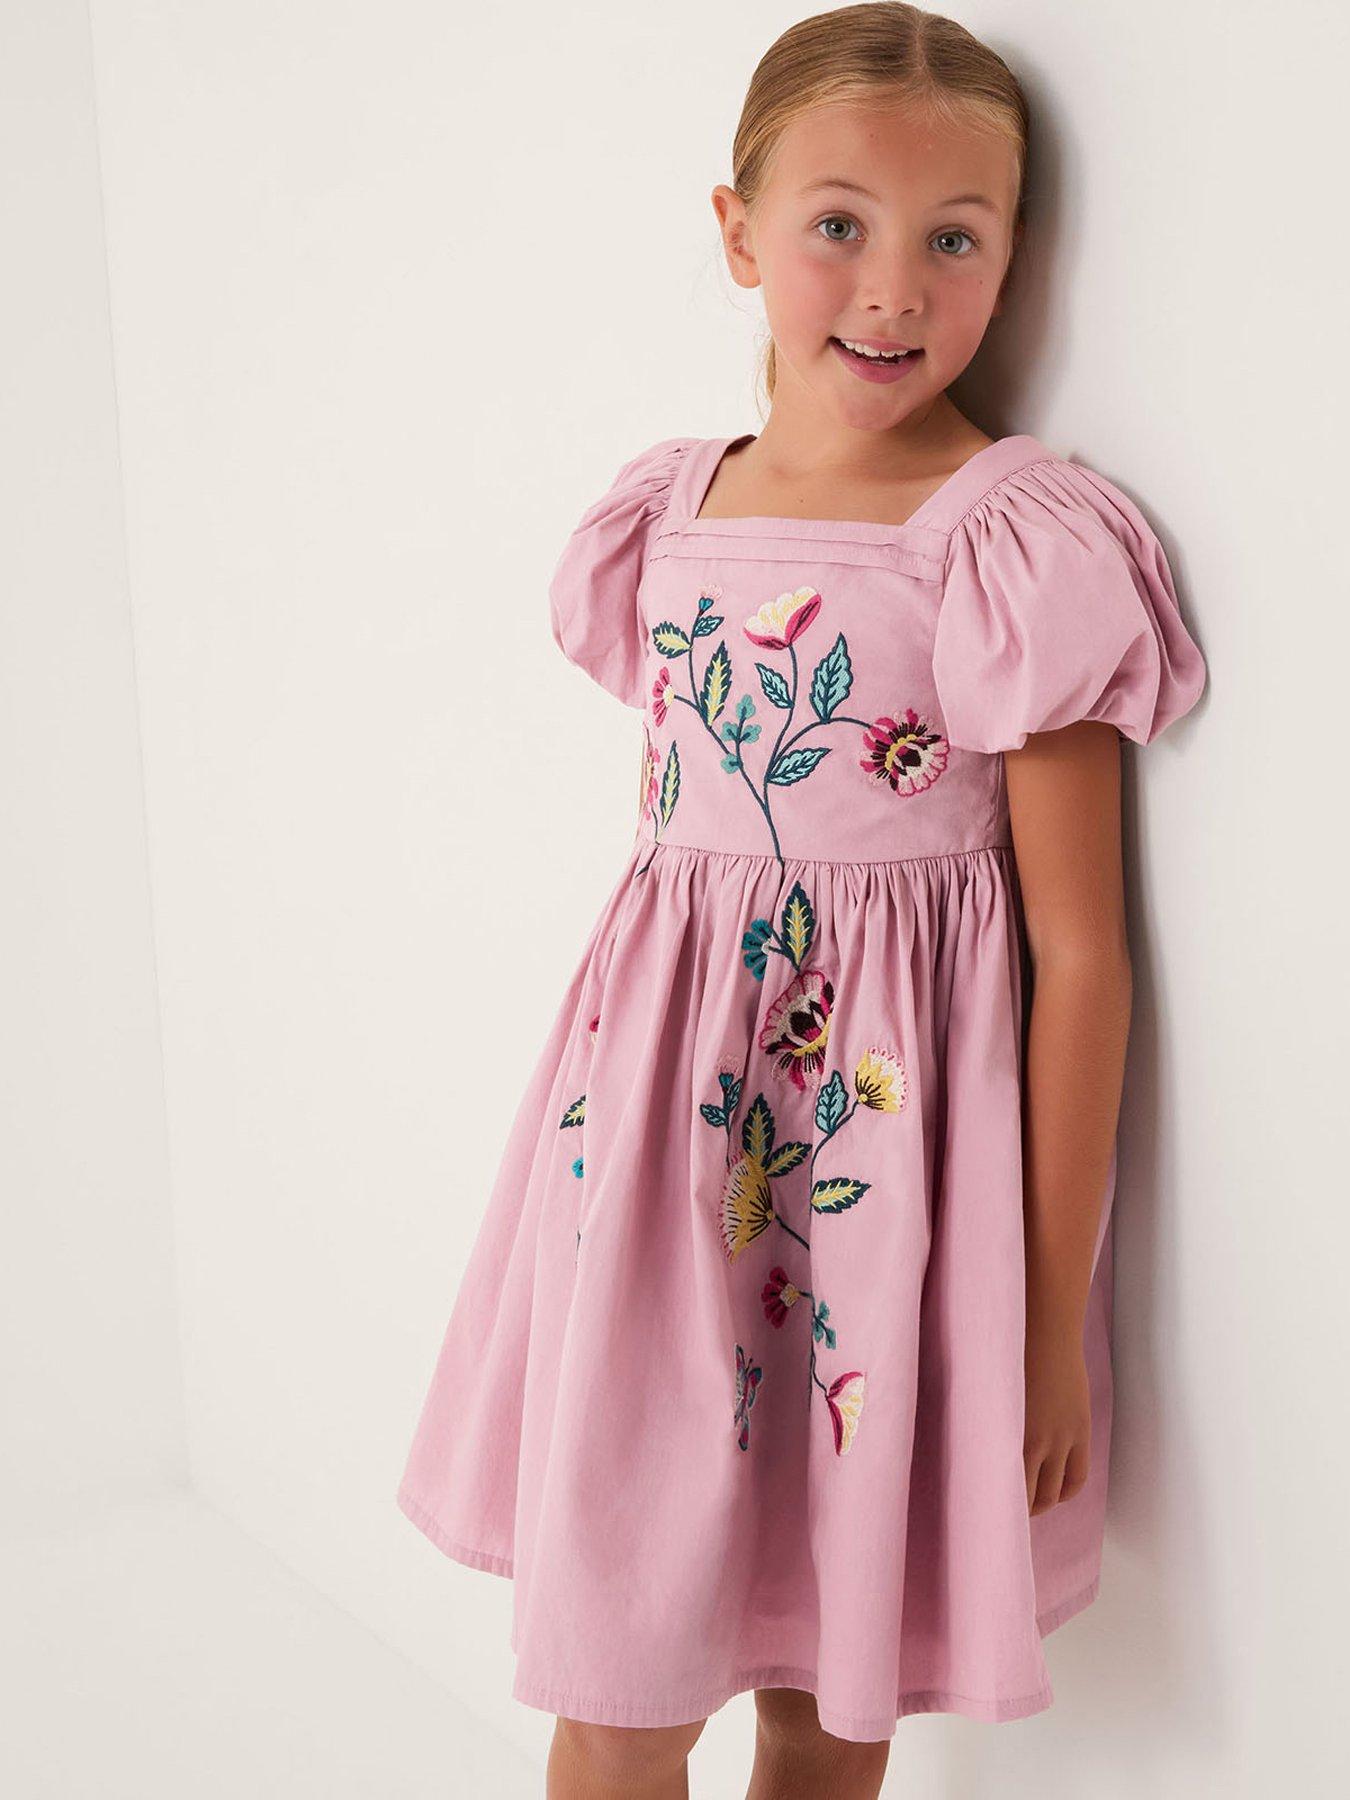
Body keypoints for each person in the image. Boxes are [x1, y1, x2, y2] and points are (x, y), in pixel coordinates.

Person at [395, 5, 1207, 1795]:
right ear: (738, 231)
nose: (894, 288)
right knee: (617, 1694)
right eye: (839, 224)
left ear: (1017, 252)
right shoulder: (666, 514)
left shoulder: (1008, 542)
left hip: (874, 1194)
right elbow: (679, 882)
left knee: (829, 1706)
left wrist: (1041, 1323)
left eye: (956, 238)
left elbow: (1079, 955)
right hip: (652, 1184)